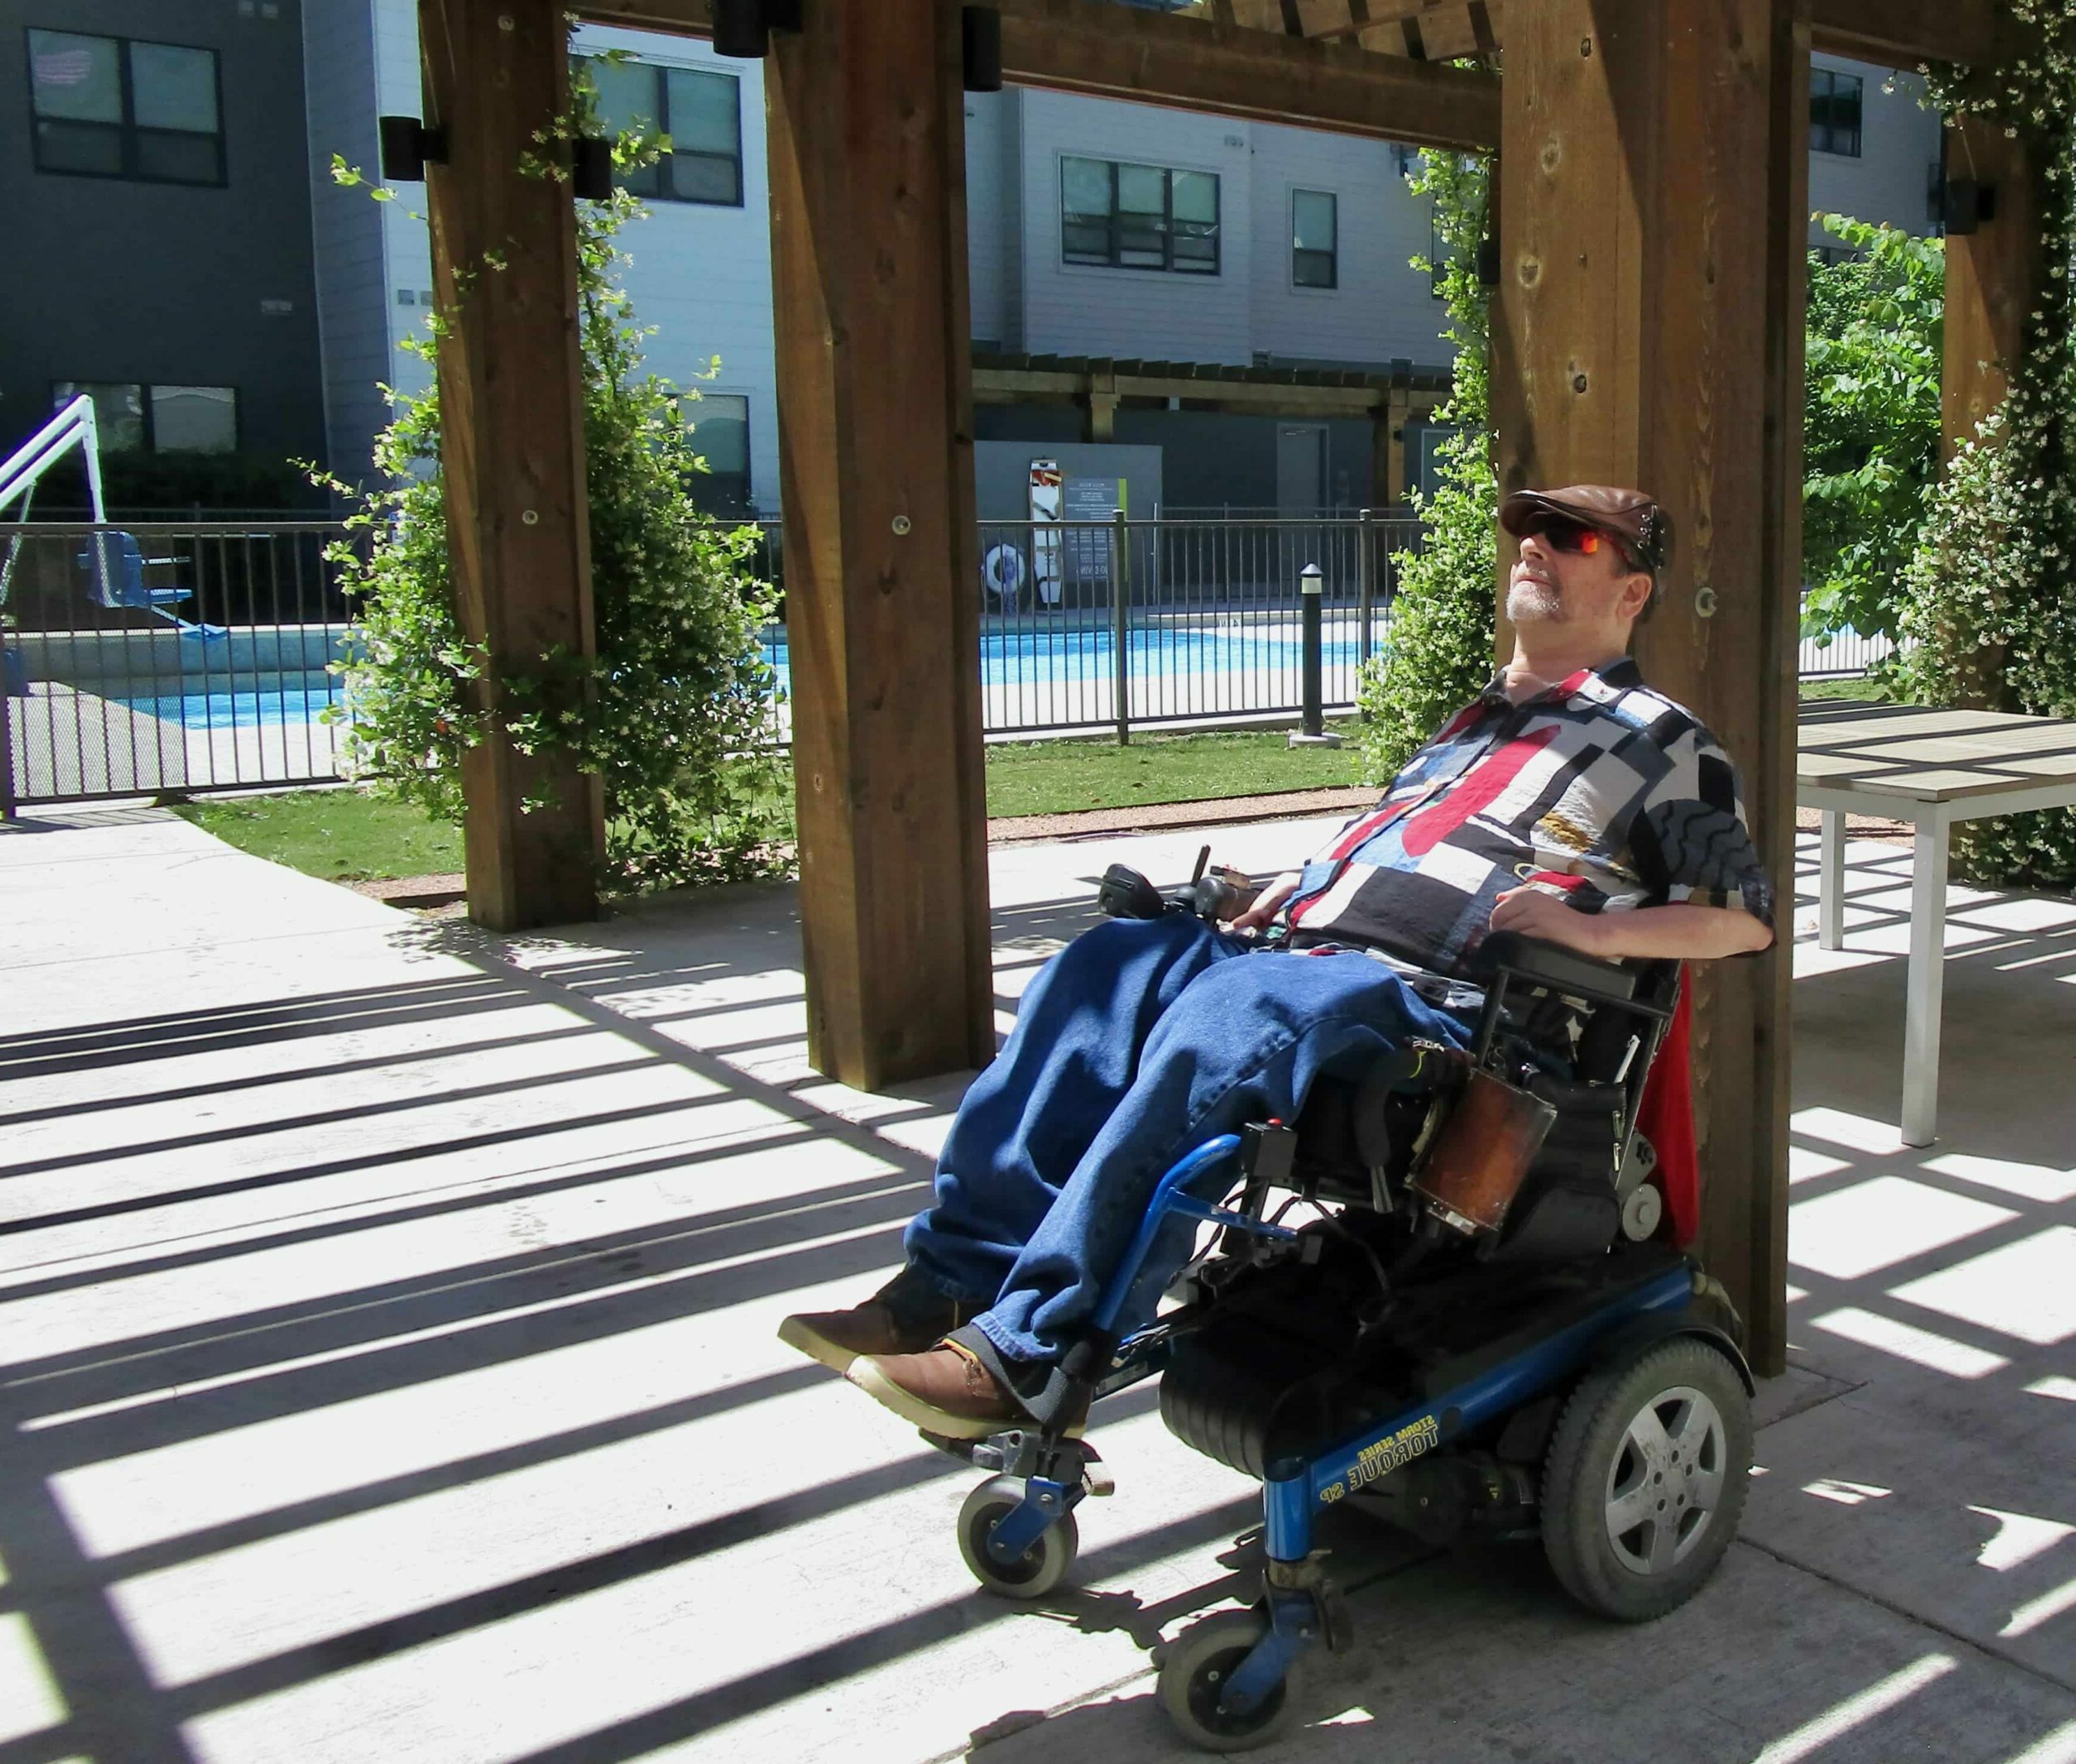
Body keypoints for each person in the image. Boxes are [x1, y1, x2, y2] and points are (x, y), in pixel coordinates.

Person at [779, 485, 1775, 1440]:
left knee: (1246, 1008)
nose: (1537, 546)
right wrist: (1296, 885)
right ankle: (944, 1284)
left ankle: (1033, 1353)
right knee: (1103, 968)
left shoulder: (1667, 744)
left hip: (1442, 1013)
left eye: (1574, 539)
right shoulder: (1478, 722)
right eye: (1530, 529)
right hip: (1303, 953)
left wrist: (1596, 933)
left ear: (1632, 590)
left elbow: (1738, 923)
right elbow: (1415, 849)